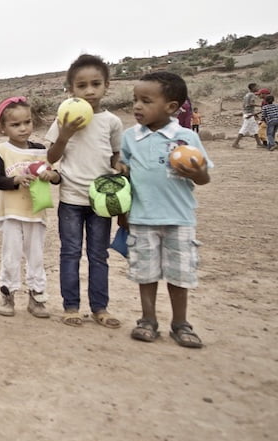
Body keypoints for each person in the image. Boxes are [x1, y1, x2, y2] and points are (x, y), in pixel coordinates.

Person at [119, 71, 211, 348]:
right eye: (135, 100)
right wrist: (123, 206)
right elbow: (124, 172)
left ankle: (180, 323)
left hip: (179, 219)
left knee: (179, 274)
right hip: (142, 217)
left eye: (146, 101)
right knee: (145, 274)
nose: (137, 106)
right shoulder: (130, 137)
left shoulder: (186, 138)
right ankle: (148, 320)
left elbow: (204, 178)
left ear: (171, 107)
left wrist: (197, 171)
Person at [45, 54, 124, 328]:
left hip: (102, 200)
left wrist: (120, 166)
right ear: (71, 89)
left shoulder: (112, 122)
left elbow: (114, 156)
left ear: (107, 86)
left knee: (98, 255)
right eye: (82, 86)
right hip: (71, 199)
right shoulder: (64, 117)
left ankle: (100, 308)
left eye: (95, 84)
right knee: (70, 252)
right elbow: (51, 157)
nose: (89, 91)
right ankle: (71, 306)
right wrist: (65, 133)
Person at [0, 96, 61, 318]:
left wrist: (52, 175)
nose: (23, 128)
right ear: (3, 127)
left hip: (36, 213)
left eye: (27, 122)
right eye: (15, 124)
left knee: (36, 256)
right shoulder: (0, 151)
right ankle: (8, 294)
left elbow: (58, 176)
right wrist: (16, 180)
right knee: (11, 255)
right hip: (11, 213)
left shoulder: (41, 151)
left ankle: (37, 298)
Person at [233, 82, 260, 148]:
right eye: (256, 87)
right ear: (253, 88)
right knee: (244, 129)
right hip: (249, 114)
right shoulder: (252, 95)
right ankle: (235, 143)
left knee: (255, 129)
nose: (257, 88)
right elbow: (251, 104)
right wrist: (260, 105)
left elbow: (244, 104)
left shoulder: (247, 95)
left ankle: (259, 143)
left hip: (247, 113)